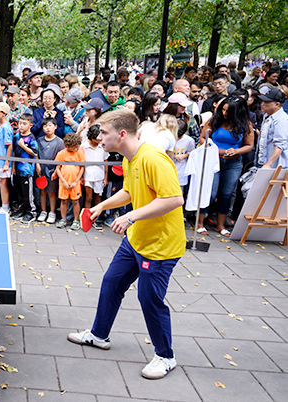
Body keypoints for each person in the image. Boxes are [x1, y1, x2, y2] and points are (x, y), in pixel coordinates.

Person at [68, 108, 186, 380]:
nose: (99, 137)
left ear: (121, 134)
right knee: (112, 282)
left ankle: (165, 356)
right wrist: (102, 205)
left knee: (149, 298)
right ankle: (99, 335)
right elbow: (130, 191)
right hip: (136, 240)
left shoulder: (153, 159)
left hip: (160, 246)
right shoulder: (131, 158)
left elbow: (173, 199)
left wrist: (130, 216)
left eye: (105, 132)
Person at [197, 97, 253, 236]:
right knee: (211, 192)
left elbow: (249, 145)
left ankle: (220, 225)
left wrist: (237, 151)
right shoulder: (215, 120)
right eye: (223, 109)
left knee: (226, 194)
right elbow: (203, 137)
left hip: (233, 162)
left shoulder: (245, 124)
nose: (224, 113)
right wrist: (213, 147)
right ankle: (200, 222)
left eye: (228, 111)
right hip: (213, 160)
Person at [53, 132, 84, 229]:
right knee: (63, 201)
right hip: (63, 183)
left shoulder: (79, 153)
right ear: (68, 146)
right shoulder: (61, 154)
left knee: (75, 201)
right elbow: (58, 168)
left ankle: (76, 220)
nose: (77, 149)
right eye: (75, 147)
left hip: (75, 183)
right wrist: (63, 181)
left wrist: (76, 181)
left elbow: (82, 167)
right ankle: (63, 218)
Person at [11, 113, 39, 223]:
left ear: (30, 125)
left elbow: (34, 153)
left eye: (24, 124)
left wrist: (23, 146)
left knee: (28, 193)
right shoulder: (17, 136)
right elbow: (13, 152)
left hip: (27, 170)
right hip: (18, 169)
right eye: (20, 123)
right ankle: (22, 209)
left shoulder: (31, 138)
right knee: (20, 192)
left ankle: (31, 211)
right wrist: (13, 166)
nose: (21, 126)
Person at [36, 118, 64, 223]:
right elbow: (36, 154)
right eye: (45, 126)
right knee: (42, 191)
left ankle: (52, 212)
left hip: (52, 171)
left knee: (51, 192)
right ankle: (43, 211)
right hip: (41, 170)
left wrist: (57, 171)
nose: (47, 128)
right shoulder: (40, 140)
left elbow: (61, 158)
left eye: (50, 125)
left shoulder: (59, 142)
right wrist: (37, 165)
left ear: (55, 127)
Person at [81, 124, 108, 229]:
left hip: (100, 175)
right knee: (88, 197)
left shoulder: (103, 146)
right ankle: (86, 218)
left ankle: (97, 219)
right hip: (88, 174)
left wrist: (105, 177)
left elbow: (106, 162)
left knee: (98, 197)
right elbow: (81, 162)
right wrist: (82, 177)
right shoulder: (84, 146)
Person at [255, 88, 288, 169]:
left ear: (277, 104)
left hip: (274, 166)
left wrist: (268, 164)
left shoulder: (282, 119)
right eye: (262, 101)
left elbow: (280, 144)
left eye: (266, 102)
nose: (262, 104)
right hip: (262, 162)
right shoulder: (266, 116)